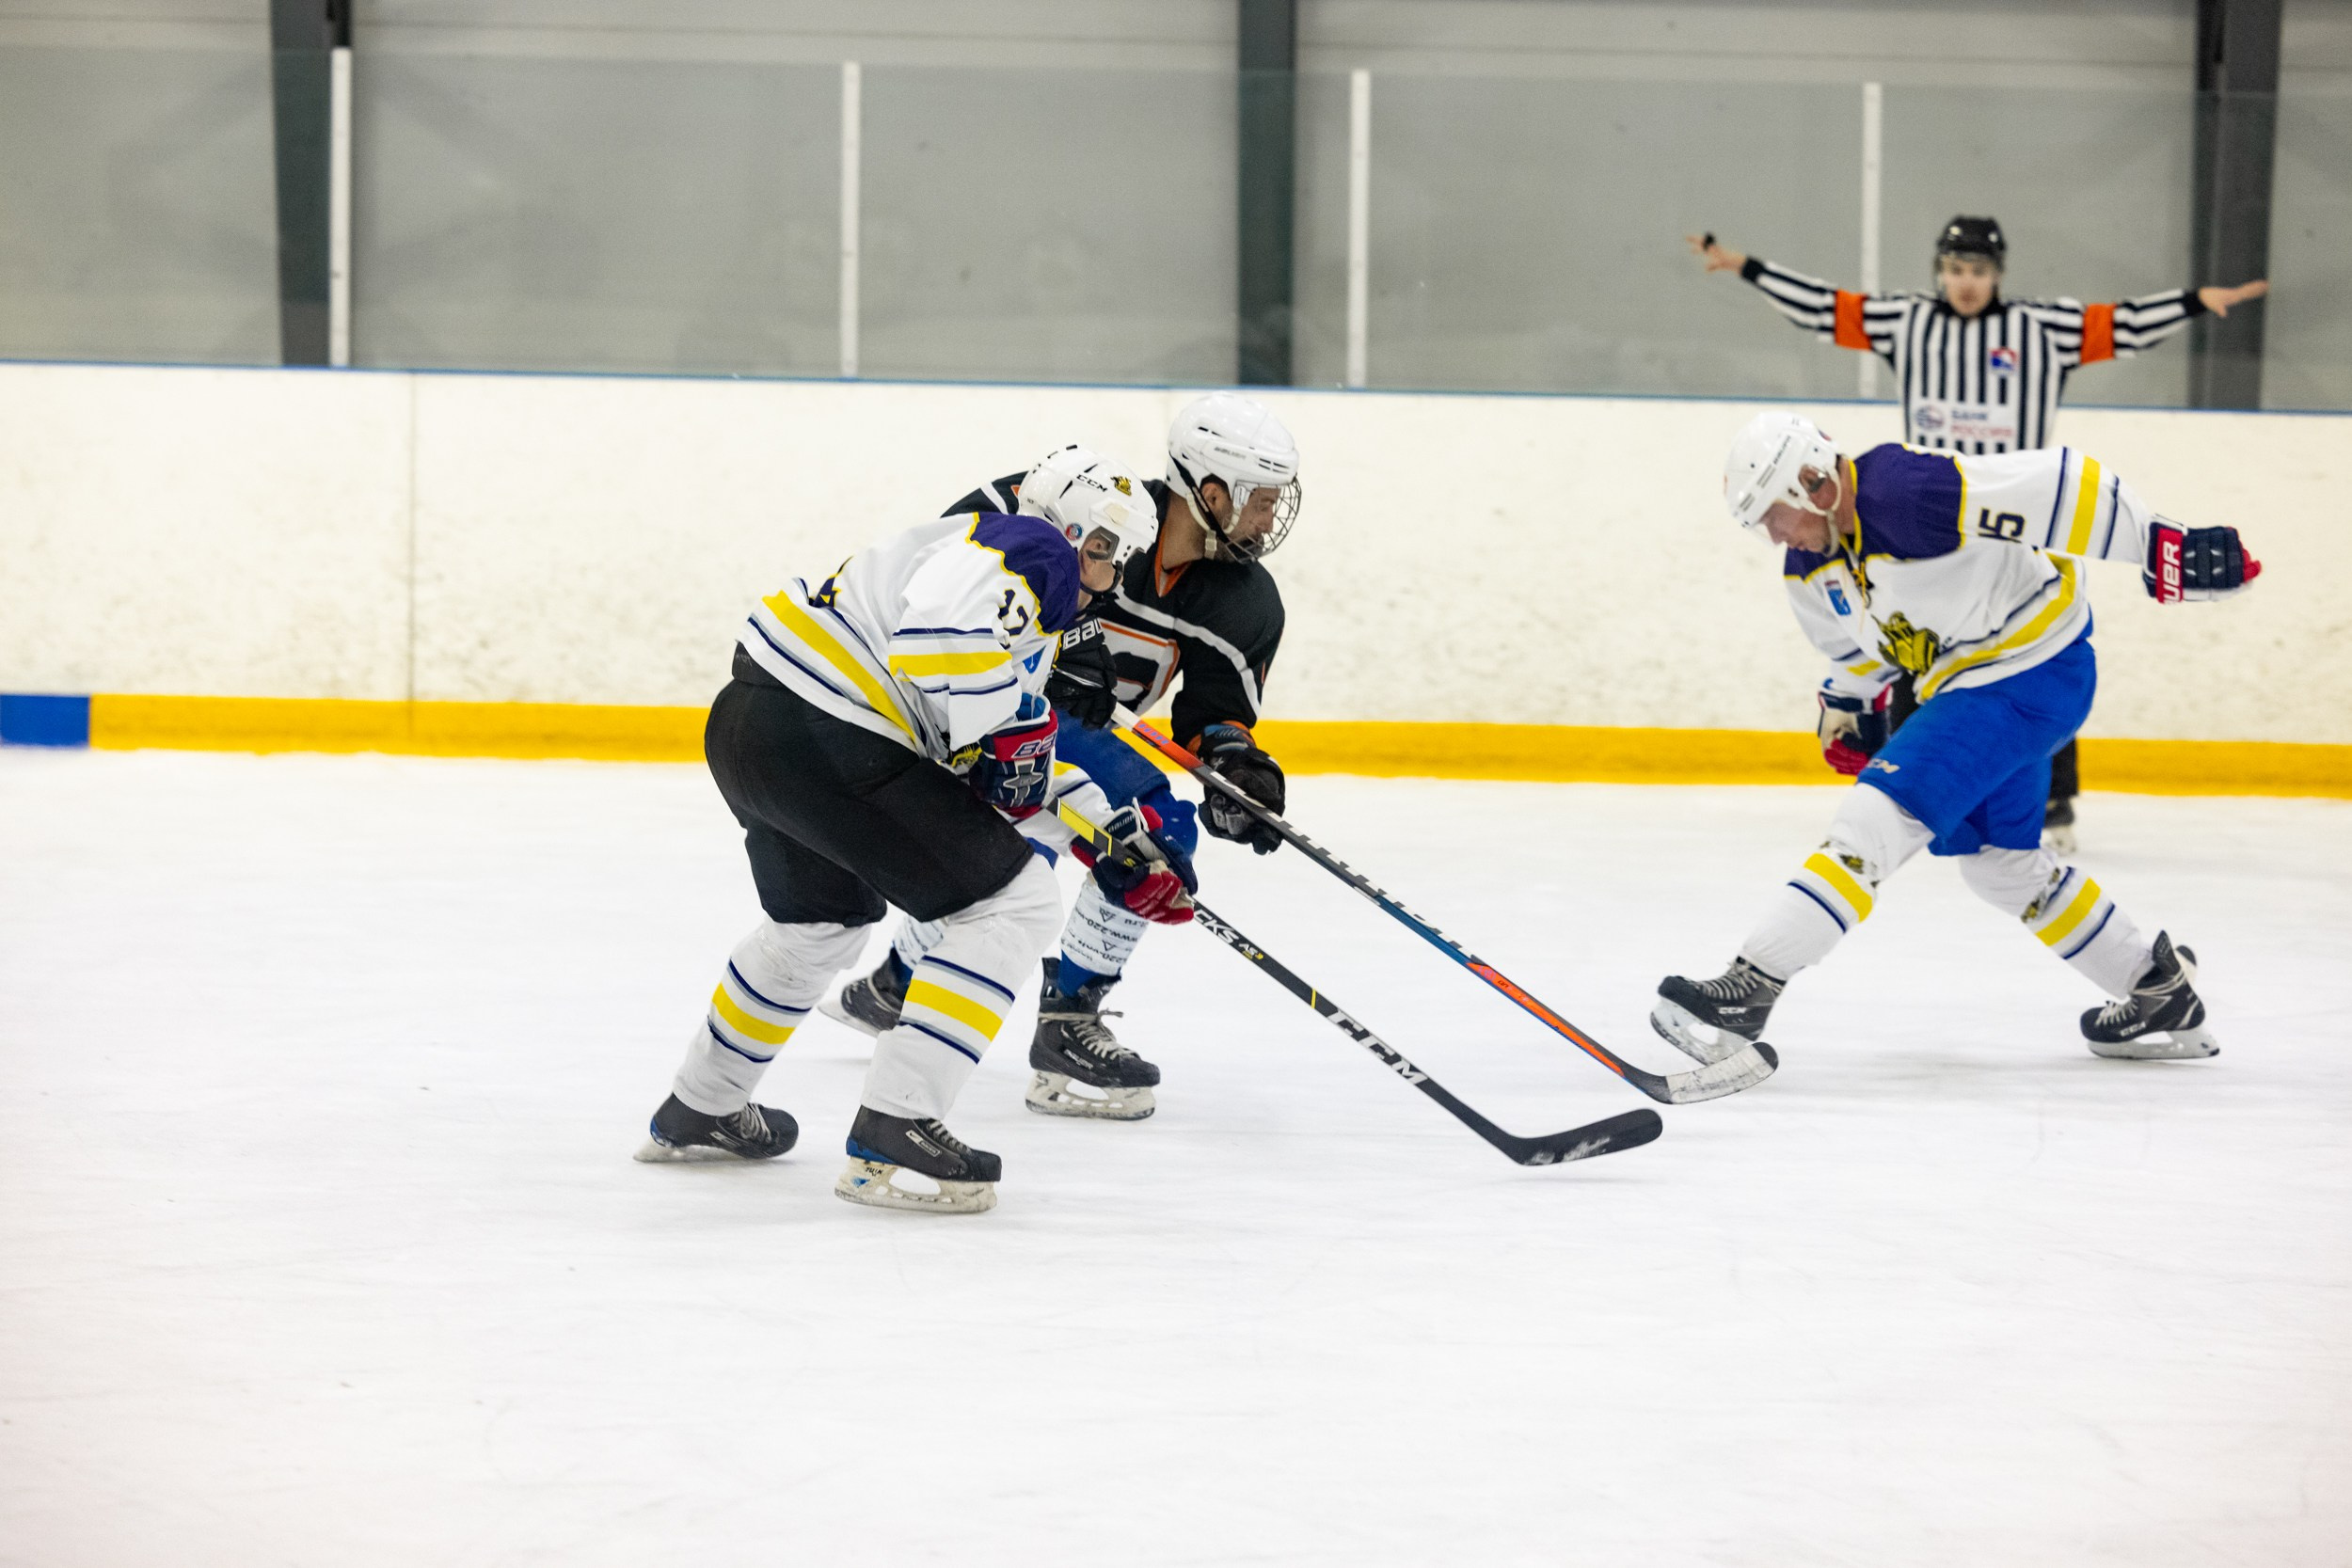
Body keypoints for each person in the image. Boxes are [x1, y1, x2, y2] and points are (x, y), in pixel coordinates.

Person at [631, 481, 1184, 1213]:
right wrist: (1002, 734)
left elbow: (1012, 771)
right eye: (1111, 554)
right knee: (1015, 905)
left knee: (819, 924)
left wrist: (1113, 836)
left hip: (755, 724)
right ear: (1082, 534)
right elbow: (941, 642)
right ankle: (897, 1121)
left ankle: (701, 1104)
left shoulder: (990, 584)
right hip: (831, 726)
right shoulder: (1035, 550)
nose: (1112, 579)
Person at [1651, 411, 2259, 1066]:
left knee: (1871, 823)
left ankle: (1751, 985)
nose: (1773, 535)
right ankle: (2156, 990)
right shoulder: (1809, 565)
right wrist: (1849, 705)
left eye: (1774, 514)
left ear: (1813, 482)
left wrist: (2158, 539)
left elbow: (2060, 483)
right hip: (1978, 687)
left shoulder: (1905, 491)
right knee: (2001, 866)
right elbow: (1857, 649)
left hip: (2028, 674)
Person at [1687, 215, 2268, 848]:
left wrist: (2193, 301)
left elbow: (2118, 325)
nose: (1967, 282)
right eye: (1956, 269)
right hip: (1914, 522)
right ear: (1940, 271)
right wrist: (1745, 266)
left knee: (2033, 647)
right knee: (1916, 644)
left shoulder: (2040, 329)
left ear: (1999, 274)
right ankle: (1936, 797)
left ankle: (2050, 799)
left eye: (1980, 271)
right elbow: (1830, 310)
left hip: (2014, 524)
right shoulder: (1907, 323)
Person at [821, 394, 1302, 1121]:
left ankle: (896, 983)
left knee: (1023, 847)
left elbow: (1214, 716)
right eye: (1261, 500)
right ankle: (1068, 1022)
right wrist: (1053, 648)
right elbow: (944, 579)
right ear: (1211, 491)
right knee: (1150, 826)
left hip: (1052, 733)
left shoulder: (1247, 602)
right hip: (984, 708)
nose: (1270, 520)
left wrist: (1237, 768)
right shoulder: (1093, 507)